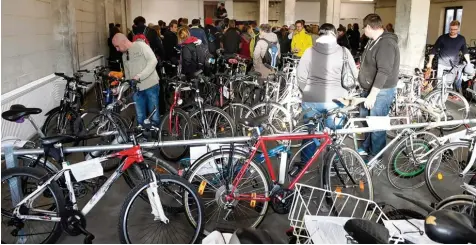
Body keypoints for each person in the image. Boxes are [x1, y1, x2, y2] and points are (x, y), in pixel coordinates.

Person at [289, 23, 358, 175]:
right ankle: (334, 165)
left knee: (311, 133)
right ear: (334, 35)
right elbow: (353, 75)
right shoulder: (344, 52)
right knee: (335, 135)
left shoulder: (309, 52)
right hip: (336, 100)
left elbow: (300, 77)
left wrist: (307, 91)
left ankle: (305, 166)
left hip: (312, 99)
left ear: (319, 35)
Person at [358, 14, 400, 161]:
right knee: (366, 119)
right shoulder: (373, 41)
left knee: (376, 124)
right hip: (369, 89)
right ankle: (366, 145)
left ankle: (376, 155)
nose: (364, 30)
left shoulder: (386, 44)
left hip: (381, 91)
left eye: (365, 27)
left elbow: (384, 71)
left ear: (369, 27)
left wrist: (373, 94)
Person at [112, 33, 160, 125]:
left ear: (123, 42)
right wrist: (119, 90)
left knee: (154, 115)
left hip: (151, 86)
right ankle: (142, 137)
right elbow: (128, 78)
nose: (116, 49)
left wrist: (139, 76)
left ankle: (155, 136)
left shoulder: (141, 46)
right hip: (136, 90)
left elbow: (153, 61)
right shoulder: (124, 56)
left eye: (117, 46)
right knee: (140, 116)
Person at [427, 20, 470, 95]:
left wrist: (469, 63)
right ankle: (435, 100)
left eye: (455, 29)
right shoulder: (442, 38)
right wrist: (430, 62)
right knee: (439, 84)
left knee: (448, 86)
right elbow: (434, 49)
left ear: (458, 29)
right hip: (442, 64)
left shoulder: (461, 39)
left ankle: (442, 102)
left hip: (453, 66)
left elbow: (465, 51)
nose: (452, 31)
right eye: (451, 29)